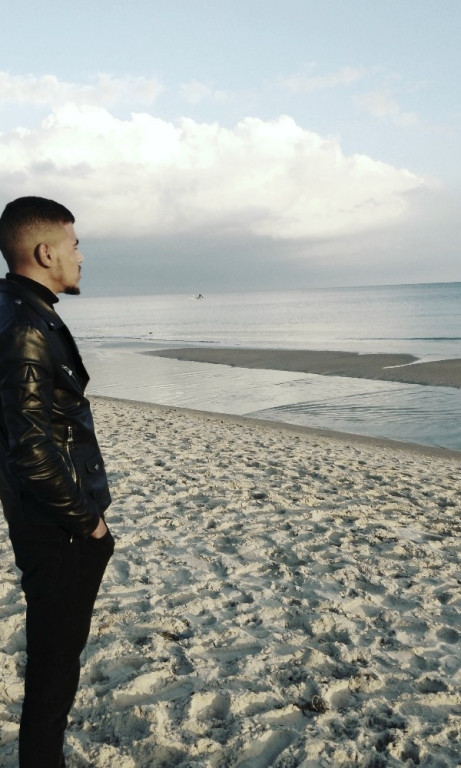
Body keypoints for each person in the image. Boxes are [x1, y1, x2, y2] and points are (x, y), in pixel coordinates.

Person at [0, 196, 114, 768]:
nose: (80, 256)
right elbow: (31, 447)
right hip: (59, 528)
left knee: (55, 660)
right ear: (45, 252)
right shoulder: (26, 325)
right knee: (54, 667)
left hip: (45, 518)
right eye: (74, 245)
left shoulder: (18, 309)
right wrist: (88, 522)